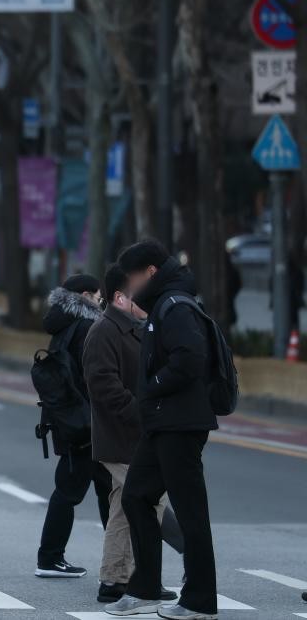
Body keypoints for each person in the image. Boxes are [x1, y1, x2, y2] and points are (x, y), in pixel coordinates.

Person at [106, 242, 220, 620]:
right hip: (162, 422)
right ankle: (145, 588)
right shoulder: (165, 304)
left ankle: (200, 600)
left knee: (190, 513)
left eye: (134, 277)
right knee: (136, 496)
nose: (131, 285)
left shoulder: (173, 306)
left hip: (180, 423)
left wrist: (150, 385)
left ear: (150, 272)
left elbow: (190, 358)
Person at [84, 265, 183, 604]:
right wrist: (143, 414)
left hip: (132, 436)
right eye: (136, 291)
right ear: (119, 297)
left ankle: (115, 579)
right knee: (146, 504)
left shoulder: (129, 329)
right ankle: (132, 579)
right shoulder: (104, 331)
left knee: (123, 508)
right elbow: (105, 387)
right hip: (122, 437)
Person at [35, 274, 112, 579]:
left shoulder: (63, 324)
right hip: (87, 423)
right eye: (97, 297)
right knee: (78, 491)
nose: (100, 302)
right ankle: (51, 558)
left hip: (71, 420)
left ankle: (118, 558)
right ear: (85, 295)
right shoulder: (85, 327)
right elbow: (92, 376)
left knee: (106, 490)